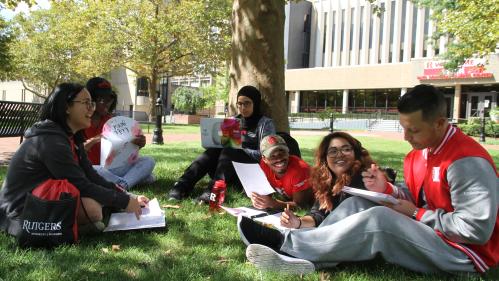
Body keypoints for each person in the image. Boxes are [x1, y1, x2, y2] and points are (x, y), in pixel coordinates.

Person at [238, 84, 498, 275]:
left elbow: (475, 231)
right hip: (433, 234)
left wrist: (417, 214)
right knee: (356, 204)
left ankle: (288, 247)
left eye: (414, 130)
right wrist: (389, 191)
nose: (406, 137)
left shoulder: (466, 162)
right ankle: (312, 255)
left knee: (380, 219)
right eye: (403, 128)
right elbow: (417, 199)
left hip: (465, 254)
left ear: (440, 123)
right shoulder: (418, 155)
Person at [0, 83, 149, 236]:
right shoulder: (51, 141)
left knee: (94, 204)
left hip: (42, 198)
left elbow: (92, 176)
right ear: (66, 107)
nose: (92, 108)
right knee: (93, 209)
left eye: (91, 103)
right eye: (86, 103)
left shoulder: (71, 138)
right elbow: (81, 185)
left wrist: (129, 197)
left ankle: (77, 225)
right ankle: (75, 227)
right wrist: (124, 202)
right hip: (19, 212)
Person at [168, 85, 276, 202]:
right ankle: (181, 186)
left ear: (255, 103)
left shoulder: (265, 123)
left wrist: (241, 148)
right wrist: (213, 144)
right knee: (213, 151)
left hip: (251, 169)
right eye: (239, 104)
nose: (242, 107)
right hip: (227, 168)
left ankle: (212, 192)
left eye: (247, 103)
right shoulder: (233, 121)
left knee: (231, 148)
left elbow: (267, 155)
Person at [278, 131, 376, 229]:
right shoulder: (326, 183)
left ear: (355, 153)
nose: (340, 155)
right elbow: (318, 216)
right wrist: (298, 222)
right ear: (325, 158)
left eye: (346, 149)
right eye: (333, 151)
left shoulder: (366, 179)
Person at [83, 77, 155, 190]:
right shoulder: (80, 120)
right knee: (95, 170)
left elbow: (120, 153)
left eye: (109, 99)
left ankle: (121, 185)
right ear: (89, 100)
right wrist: (98, 138)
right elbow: (76, 151)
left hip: (112, 169)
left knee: (148, 161)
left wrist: (136, 144)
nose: (106, 103)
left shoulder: (112, 121)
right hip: (92, 169)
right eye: (101, 99)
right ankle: (133, 179)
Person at [251, 134, 313, 211]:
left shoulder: (300, 170)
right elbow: (266, 194)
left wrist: (272, 203)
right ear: (264, 159)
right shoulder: (264, 165)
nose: (279, 159)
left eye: (282, 152)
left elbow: (300, 206)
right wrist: (259, 200)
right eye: (272, 155)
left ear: (288, 152)